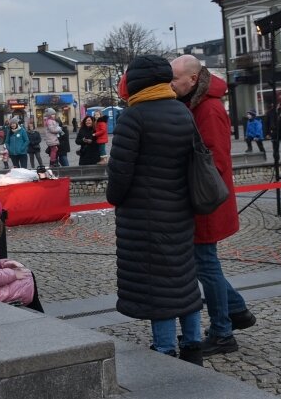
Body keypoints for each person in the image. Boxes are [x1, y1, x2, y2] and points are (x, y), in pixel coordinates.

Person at [107, 55, 203, 365]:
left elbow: (119, 176)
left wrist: (115, 198)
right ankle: (192, 345)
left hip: (145, 217)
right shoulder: (182, 112)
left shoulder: (133, 118)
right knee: (183, 281)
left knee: (157, 286)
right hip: (180, 212)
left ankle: (165, 351)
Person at [171, 54, 256, 356]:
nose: (171, 84)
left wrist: (190, 191)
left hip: (206, 201)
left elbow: (214, 161)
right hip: (204, 199)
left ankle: (222, 332)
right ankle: (237, 310)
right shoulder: (196, 103)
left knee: (205, 266)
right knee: (204, 265)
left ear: (192, 79)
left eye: (175, 79)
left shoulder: (207, 108)